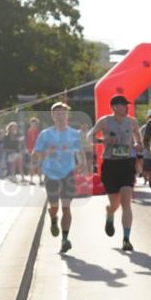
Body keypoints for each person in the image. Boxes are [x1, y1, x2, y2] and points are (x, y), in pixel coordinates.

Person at [87, 95, 142, 251]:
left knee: (126, 202)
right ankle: (110, 213)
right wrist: (103, 141)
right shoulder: (105, 121)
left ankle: (126, 239)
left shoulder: (132, 122)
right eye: (124, 105)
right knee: (115, 203)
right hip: (110, 165)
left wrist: (137, 145)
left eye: (127, 105)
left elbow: (139, 139)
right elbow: (88, 137)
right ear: (114, 107)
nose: (127, 107)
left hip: (126, 164)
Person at [34, 103, 88, 254]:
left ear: (67, 116)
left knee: (66, 207)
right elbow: (37, 152)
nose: (60, 116)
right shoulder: (45, 134)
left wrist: (82, 163)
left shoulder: (73, 134)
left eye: (63, 113)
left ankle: (65, 239)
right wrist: (40, 156)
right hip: (50, 173)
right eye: (57, 113)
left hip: (68, 173)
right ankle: (53, 219)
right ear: (53, 116)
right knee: (54, 207)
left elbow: (79, 151)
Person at [25, 117, 41, 184]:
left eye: (35, 124)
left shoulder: (38, 132)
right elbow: (27, 142)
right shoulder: (28, 132)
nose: (33, 125)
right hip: (31, 150)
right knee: (33, 165)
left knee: (38, 165)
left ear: (36, 125)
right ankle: (31, 180)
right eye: (32, 124)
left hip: (37, 150)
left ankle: (40, 180)